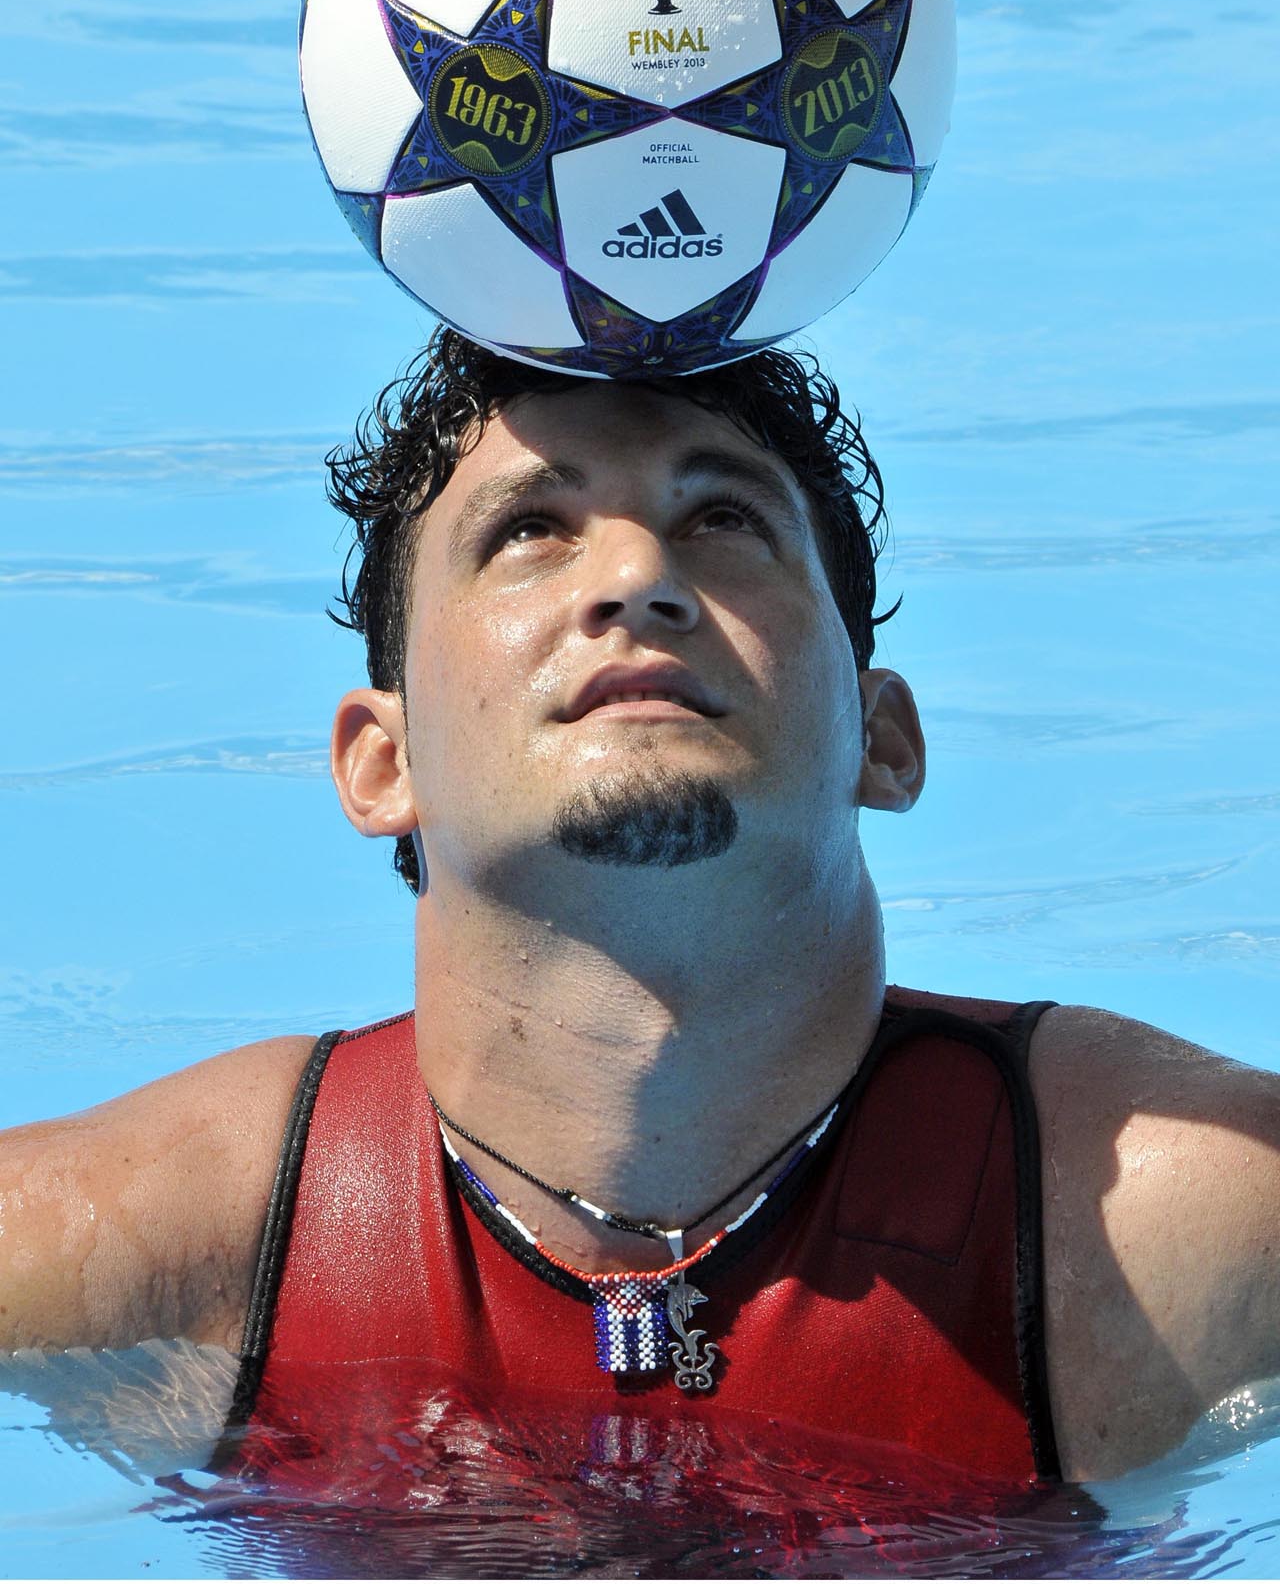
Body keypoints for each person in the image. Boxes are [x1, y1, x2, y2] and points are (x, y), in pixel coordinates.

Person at [1, 328, 1277, 1490]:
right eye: (529, 529)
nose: (636, 578)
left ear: (880, 739)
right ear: (383, 763)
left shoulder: (1179, 1231)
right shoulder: (133, 1249)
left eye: (722, 517)